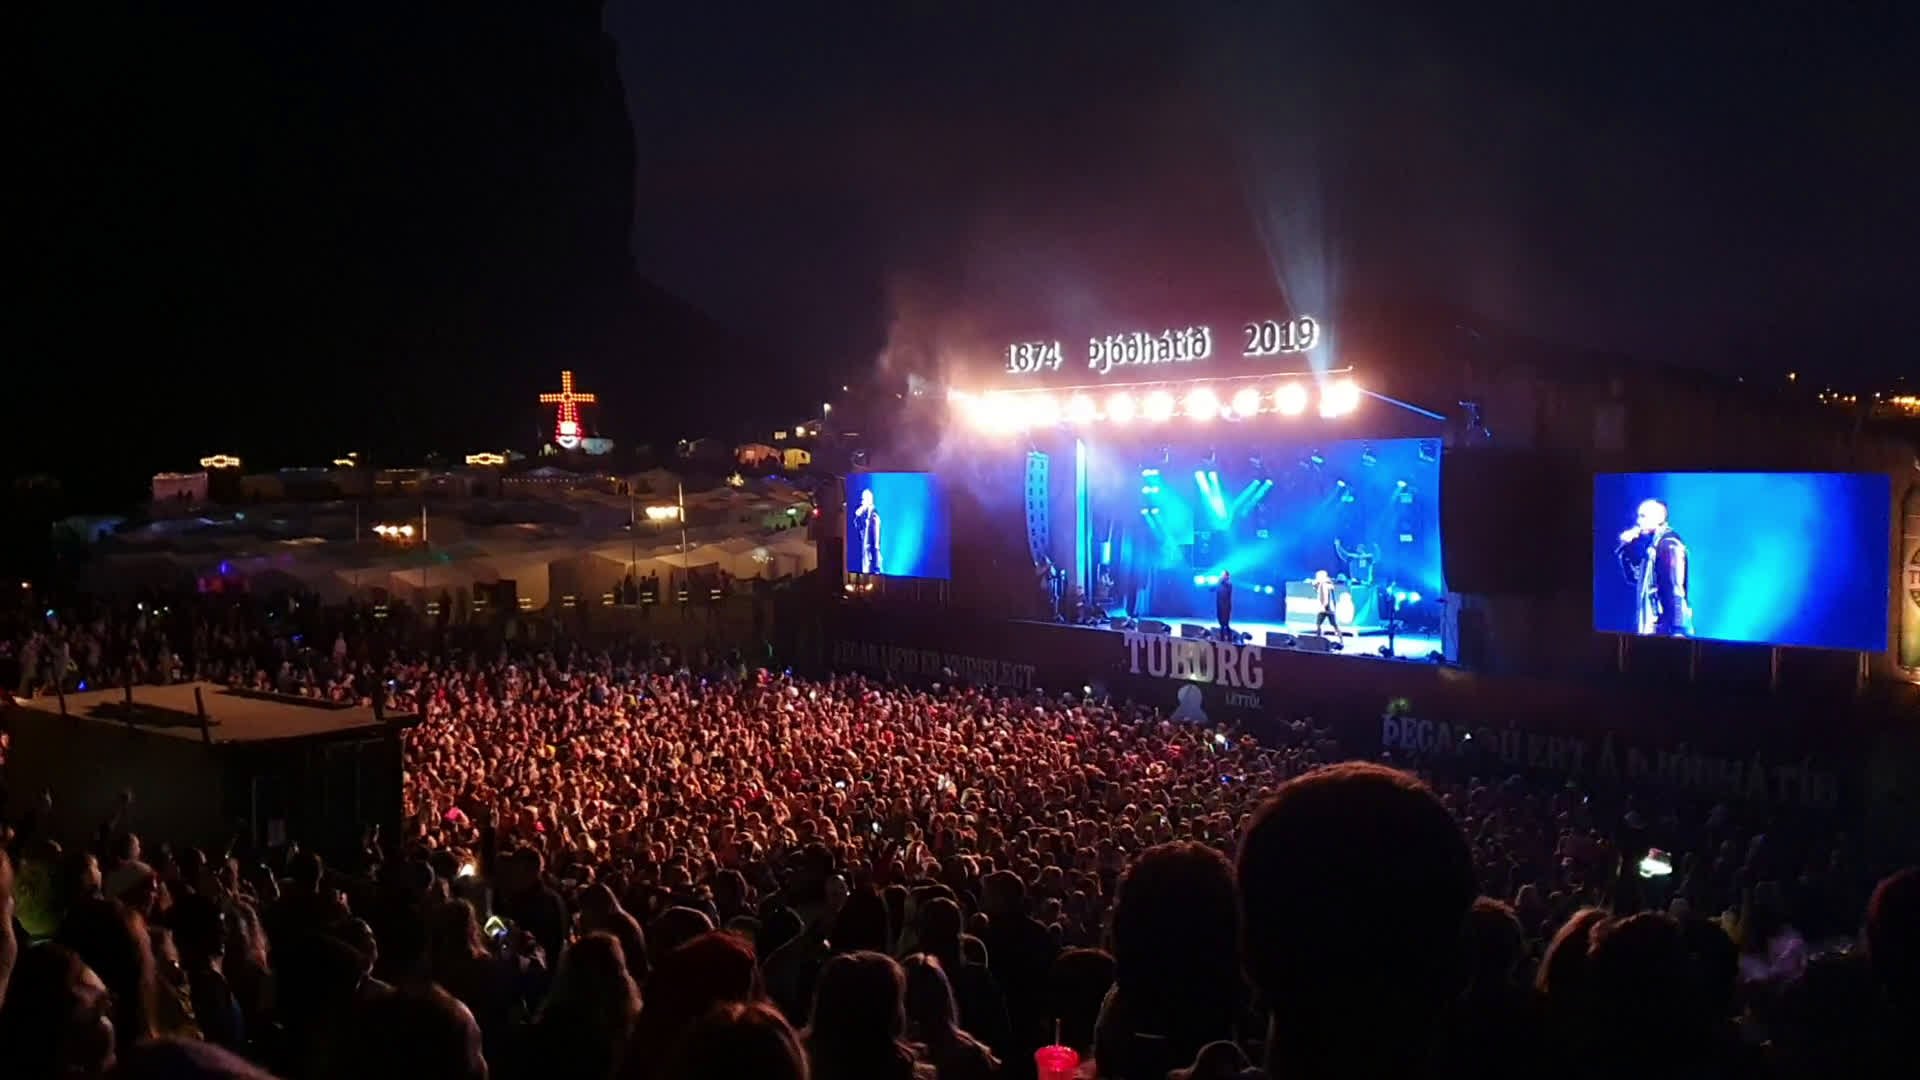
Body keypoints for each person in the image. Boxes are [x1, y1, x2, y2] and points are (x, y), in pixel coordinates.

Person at [1615, 498, 1692, 636]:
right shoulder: (1653, 546)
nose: (1638, 521)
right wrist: (1626, 549)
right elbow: (1635, 578)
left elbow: (1675, 591)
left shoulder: (1669, 544)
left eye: (1643, 516)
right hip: (1654, 630)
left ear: (1659, 518)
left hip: (1665, 631)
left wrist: (1677, 631)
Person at [852, 488, 882, 574]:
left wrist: (876, 564)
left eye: (863, 499)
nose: (861, 502)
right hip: (866, 556)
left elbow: (876, 544)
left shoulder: (874, 517)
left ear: (869, 500)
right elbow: (856, 517)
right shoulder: (866, 516)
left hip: (870, 558)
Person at [1311, 570, 1342, 642]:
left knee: (1334, 625)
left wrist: (1325, 606)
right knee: (1318, 624)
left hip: (1328, 608)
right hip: (1322, 608)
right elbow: (1315, 586)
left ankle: (1341, 639)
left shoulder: (1327, 584)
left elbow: (1328, 594)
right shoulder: (1319, 584)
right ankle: (1318, 639)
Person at [1215, 571, 1234, 640]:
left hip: (1226, 606)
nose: (1222, 576)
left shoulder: (1229, 584)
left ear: (1227, 576)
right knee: (1221, 622)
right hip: (1219, 605)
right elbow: (1211, 589)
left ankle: (1226, 637)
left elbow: (1228, 589)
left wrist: (1221, 581)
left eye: (1223, 575)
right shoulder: (1219, 583)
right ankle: (1224, 637)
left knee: (1225, 623)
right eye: (1221, 575)